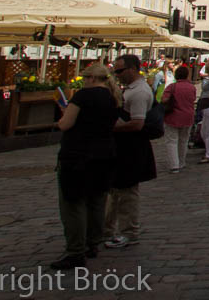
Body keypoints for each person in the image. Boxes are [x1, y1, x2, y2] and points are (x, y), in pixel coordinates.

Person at [50, 61, 119, 270]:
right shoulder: (112, 97)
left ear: (90, 78)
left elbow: (66, 124)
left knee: (73, 203)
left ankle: (75, 251)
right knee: (97, 201)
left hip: (78, 155)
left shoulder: (82, 96)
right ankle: (93, 243)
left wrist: (63, 111)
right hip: (104, 155)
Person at [104, 54, 156, 248]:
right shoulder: (132, 89)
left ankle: (130, 231)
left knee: (127, 192)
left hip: (132, 147)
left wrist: (112, 127)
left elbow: (137, 124)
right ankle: (107, 229)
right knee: (117, 190)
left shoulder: (140, 92)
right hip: (124, 146)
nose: (116, 75)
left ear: (132, 69)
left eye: (119, 71)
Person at [161, 66, 196, 173]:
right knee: (183, 140)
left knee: (172, 141)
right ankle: (181, 162)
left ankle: (174, 165)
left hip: (173, 116)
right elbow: (193, 99)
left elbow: (164, 99)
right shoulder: (192, 87)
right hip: (188, 116)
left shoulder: (172, 87)